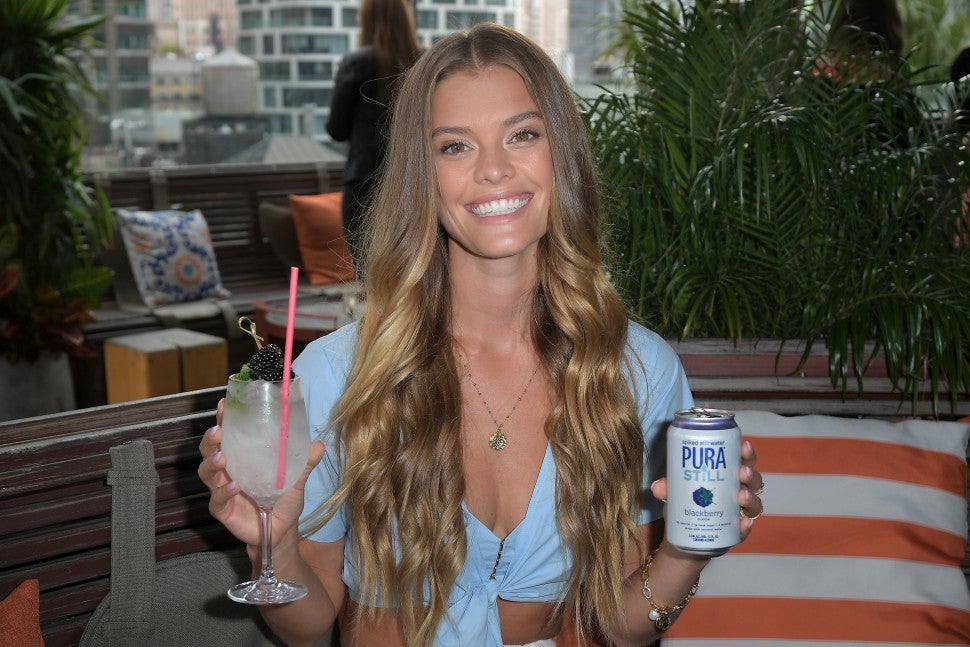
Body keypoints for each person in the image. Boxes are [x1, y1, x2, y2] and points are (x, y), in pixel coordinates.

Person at [200, 23, 764, 647]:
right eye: (455, 147)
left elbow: (621, 627)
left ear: (562, 155)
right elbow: (307, 630)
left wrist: (685, 552)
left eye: (522, 135)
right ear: (423, 176)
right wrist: (273, 543)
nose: (495, 169)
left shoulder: (637, 368)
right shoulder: (338, 374)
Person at [326, 0, 421, 271]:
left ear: (368, 20)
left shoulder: (356, 63)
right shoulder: (424, 62)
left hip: (363, 186)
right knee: (414, 274)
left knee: (370, 278)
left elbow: (337, 130)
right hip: (414, 184)